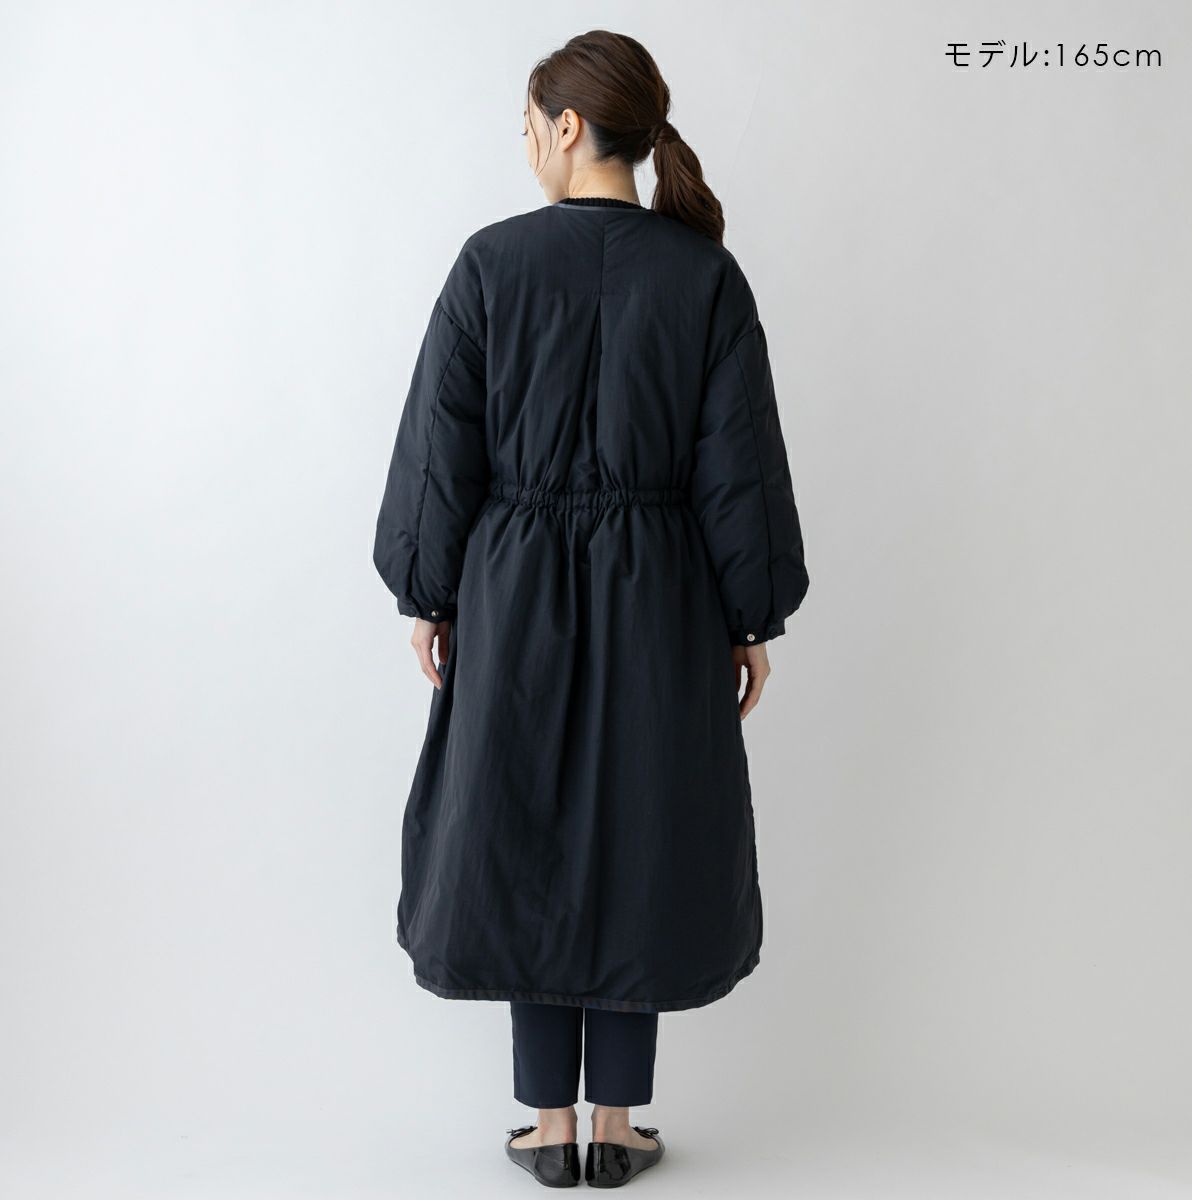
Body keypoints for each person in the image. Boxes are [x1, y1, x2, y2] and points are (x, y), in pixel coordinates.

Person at [373, 29, 810, 1189]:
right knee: (639, 830)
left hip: (510, 591)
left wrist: (427, 591)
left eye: (530, 126)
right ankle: (616, 1123)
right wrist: (750, 618)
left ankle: (549, 1126)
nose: (526, 147)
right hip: (663, 594)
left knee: (524, 824)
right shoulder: (704, 278)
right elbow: (740, 468)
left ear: (568, 127)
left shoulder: (491, 265)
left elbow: (440, 449)